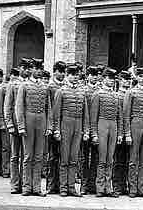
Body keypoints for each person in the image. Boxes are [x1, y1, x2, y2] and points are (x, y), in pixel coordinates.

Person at [51, 64, 89, 197]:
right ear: (67, 75)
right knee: (64, 158)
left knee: (74, 158)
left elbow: (86, 114)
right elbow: (56, 114)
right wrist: (56, 130)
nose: (74, 77)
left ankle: (72, 187)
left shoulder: (81, 91)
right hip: (65, 125)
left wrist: (86, 130)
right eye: (72, 74)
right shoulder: (61, 91)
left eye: (76, 75)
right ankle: (63, 188)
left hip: (78, 125)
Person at [15, 69, 50, 196]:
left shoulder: (44, 87)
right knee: (28, 156)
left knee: (39, 156)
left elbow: (48, 108)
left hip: (41, 122)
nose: (39, 72)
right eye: (36, 69)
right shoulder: (24, 86)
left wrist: (48, 126)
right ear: (31, 71)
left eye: (40, 68)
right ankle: (26, 187)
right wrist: (21, 126)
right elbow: (19, 107)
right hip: (28, 121)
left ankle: (36, 187)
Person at [123, 67, 143, 198]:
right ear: (137, 78)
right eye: (141, 76)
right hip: (135, 124)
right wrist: (127, 133)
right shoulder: (131, 92)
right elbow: (126, 114)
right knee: (133, 159)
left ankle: (142, 189)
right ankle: (132, 188)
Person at [90, 68, 120, 198]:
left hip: (113, 126)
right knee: (102, 159)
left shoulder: (115, 95)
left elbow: (119, 116)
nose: (111, 81)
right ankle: (100, 188)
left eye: (113, 79)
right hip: (102, 124)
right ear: (103, 79)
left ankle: (109, 187)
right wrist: (94, 134)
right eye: (109, 78)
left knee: (110, 159)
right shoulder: (98, 94)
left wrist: (119, 133)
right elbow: (93, 116)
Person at [46, 61, 66, 194]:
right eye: (60, 71)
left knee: (63, 156)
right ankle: (51, 185)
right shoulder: (50, 87)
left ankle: (60, 184)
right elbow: (49, 108)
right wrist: (52, 127)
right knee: (52, 156)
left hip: (65, 125)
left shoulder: (65, 86)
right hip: (53, 125)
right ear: (55, 72)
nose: (63, 74)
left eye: (64, 71)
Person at [5, 65, 25, 194]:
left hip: (26, 125)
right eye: (25, 68)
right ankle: (14, 184)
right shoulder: (13, 85)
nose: (27, 70)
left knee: (26, 156)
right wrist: (10, 124)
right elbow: (8, 106)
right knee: (14, 155)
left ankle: (24, 183)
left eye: (30, 68)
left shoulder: (29, 85)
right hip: (15, 125)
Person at [80, 65, 100, 195]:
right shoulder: (83, 90)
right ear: (88, 76)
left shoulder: (100, 90)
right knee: (84, 158)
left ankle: (93, 184)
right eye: (92, 74)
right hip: (86, 128)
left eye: (96, 74)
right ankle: (84, 184)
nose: (94, 77)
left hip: (98, 128)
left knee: (96, 158)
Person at [113, 70, 132, 196]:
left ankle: (124, 185)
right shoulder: (116, 95)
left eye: (128, 79)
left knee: (127, 160)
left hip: (130, 131)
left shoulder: (131, 94)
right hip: (119, 132)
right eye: (124, 79)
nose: (126, 81)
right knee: (118, 160)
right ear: (119, 81)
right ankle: (117, 186)